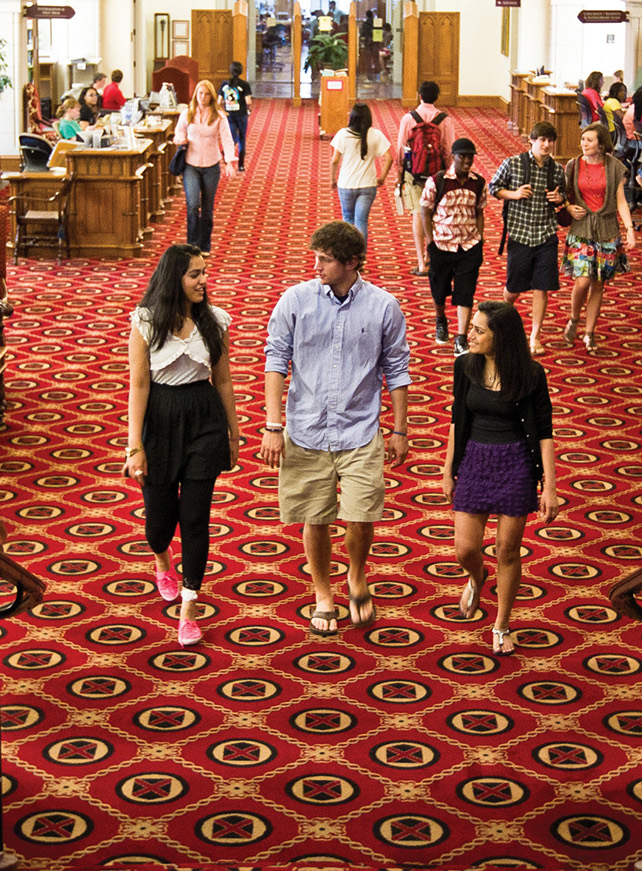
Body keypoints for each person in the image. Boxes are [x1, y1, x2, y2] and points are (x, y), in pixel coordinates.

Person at [257, 220, 413, 638]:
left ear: (351, 263)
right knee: (315, 516)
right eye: (316, 257)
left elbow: (396, 370)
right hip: (306, 426)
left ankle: (357, 576)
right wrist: (273, 425)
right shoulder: (296, 300)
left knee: (362, 516)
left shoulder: (383, 306)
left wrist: (399, 428)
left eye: (325, 260)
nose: (317, 266)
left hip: (361, 428)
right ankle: (323, 593)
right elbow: (275, 361)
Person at [125, 243, 243, 647]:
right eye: (195, 274)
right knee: (159, 524)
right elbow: (139, 385)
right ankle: (162, 558)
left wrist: (234, 432)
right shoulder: (146, 321)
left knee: (195, 518)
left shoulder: (213, 321)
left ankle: (189, 605)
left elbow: (223, 380)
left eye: (205, 273)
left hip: (202, 418)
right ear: (174, 277)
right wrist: (133, 445)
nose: (203, 281)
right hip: (159, 420)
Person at [444, 301, 558, 656]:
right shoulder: (464, 366)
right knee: (465, 548)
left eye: (479, 330)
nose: (469, 334)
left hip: (515, 463)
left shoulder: (531, 375)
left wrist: (550, 487)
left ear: (501, 337)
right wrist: (448, 470)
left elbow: (544, 433)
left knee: (507, 550)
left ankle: (502, 623)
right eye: (472, 327)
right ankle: (477, 578)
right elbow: (456, 421)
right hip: (475, 459)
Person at [488, 122, 567, 347]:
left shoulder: (557, 169)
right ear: (531, 140)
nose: (546, 144)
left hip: (546, 234)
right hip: (520, 234)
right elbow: (494, 187)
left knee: (542, 287)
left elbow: (563, 195)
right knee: (514, 288)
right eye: (542, 139)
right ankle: (502, 317)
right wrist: (515, 193)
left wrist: (560, 199)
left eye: (550, 140)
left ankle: (535, 336)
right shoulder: (513, 164)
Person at [561, 123, 636, 351]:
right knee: (582, 280)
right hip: (581, 228)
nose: (584, 144)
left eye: (590, 140)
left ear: (601, 145)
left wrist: (630, 228)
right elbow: (563, 195)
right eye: (583, 140)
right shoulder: (573, 165)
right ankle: (574, 318)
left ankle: (589, 332)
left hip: (606, 230)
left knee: (598, 283)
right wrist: (568, 206)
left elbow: (620, 200)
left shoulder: (614, 167)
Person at [419, 137, 487, 357]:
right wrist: (430, 242)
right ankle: (441, 319)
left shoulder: (478, 182)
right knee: (439, 289)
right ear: (453, 157)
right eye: (463, 156)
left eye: (470, 156)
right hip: (442, 245)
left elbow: (479, 211)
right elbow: (425, 211)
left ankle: (461, 337)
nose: (467, 160)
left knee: (465, 291)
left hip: (469, 246)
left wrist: (479, 237)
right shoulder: (437, 181)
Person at [395, 80, 456, 276]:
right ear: (437, 97)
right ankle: (433, 257)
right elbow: (448, 150)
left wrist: (399, 174)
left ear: (419, 95)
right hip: (437, 174)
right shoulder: (444, 119)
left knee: (417, 214)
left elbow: (401, 149)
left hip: (414, 173)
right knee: (436, 214)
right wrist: (448, 173)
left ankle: (421, 262)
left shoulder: (408, 118)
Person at [174, 79, 240, 253]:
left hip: (211, 165)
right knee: (193, 204)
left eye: (207, 94)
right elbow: (178, 132)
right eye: (200, 93)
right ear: (196, 94)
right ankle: (192, 245)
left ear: (211, 96)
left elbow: (227, 139)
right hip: (191, 165)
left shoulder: (218, 116)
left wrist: (229, 161)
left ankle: (205, 245)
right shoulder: (187, 113)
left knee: (207, 208)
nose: (203, 97)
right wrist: (180, 139)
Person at [328, 102, 394, 240]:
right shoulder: (376, 134)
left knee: (348, 220)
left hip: (346, 184)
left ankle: (348, 255)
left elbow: (334, 160)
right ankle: (360, 256)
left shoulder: (343, 134)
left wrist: (332, 179)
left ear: (351, 117)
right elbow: (389, 158)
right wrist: (382, 178)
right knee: (361, 221)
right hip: (368, 185)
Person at [221, 62, 254, 171]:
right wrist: (249, 108)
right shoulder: (244, 85)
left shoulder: (224, 84)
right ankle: (241, 165)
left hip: (229, 115)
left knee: (232, 137)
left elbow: (218, 101)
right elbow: (248, 101)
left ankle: (227, 153)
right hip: (241, 114)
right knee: (242, 138)